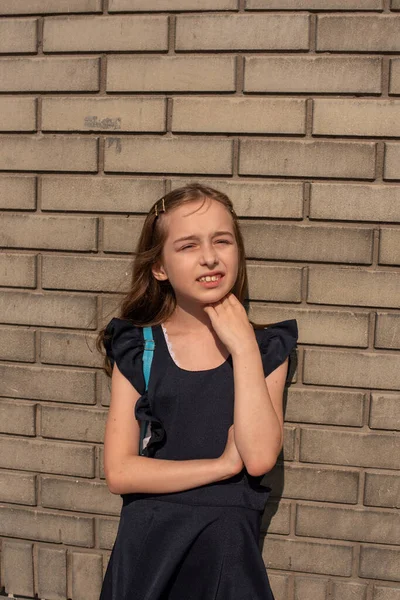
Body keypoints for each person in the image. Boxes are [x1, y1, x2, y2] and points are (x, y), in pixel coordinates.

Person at [97, 182, 298, 600]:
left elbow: (259, 456)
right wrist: (222, 467)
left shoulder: (265, 348)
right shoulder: (140, 347)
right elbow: (120, 472)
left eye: (222, 241)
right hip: (148, 556)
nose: (209, 257)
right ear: (160, 267)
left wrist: (242, 345)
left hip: (226, 561)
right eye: (188, 245)